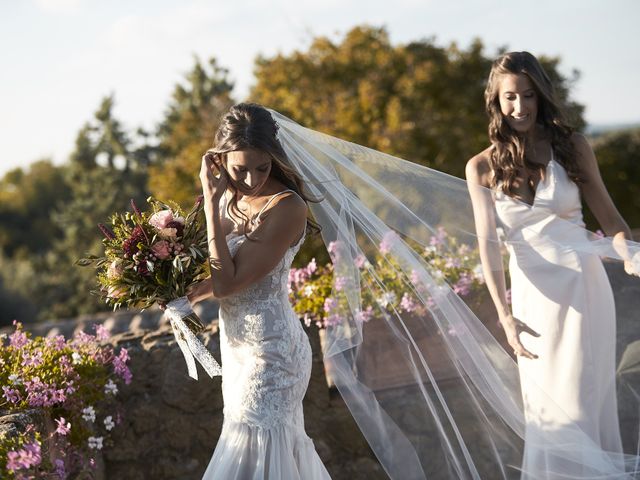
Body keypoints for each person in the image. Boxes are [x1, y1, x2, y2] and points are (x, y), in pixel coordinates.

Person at [466, 51, 638, 478]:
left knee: (582, 405)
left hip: (583, 289)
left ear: (541, 95)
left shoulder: (572, 146)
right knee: (548, 414)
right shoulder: (480, 167)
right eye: (510, 97)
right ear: (496, 100)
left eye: (528, 95)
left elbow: (612, 221)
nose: (520, 107)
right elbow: (488, 247)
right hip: (531, 302)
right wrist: (505, 316)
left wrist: (629, 252)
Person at [188, 103, 331, 479]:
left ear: (275, 159)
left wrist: (209, 200)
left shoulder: (287, 207)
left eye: (262, 167)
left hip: (274, 354)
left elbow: (229, 282)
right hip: (238, 350)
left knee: (257, 452)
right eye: (240, 169)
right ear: (220, 159)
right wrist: (183, 296)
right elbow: (229, 280)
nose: (251, 180)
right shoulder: (230, 198)